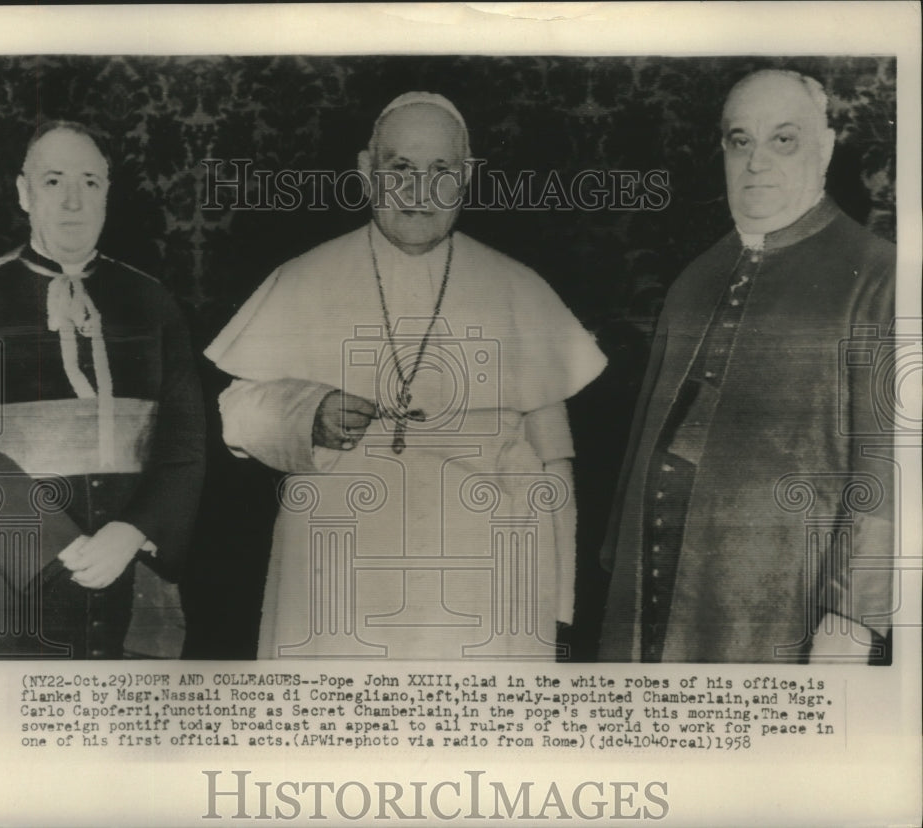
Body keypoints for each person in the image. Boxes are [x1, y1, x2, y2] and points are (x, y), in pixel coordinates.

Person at [206, 92, 606, 659]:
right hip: (337, 576)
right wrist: (308, 412)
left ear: (466, 178)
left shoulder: (520, 288)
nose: (420, 191)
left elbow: (554, 464)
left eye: (441, 170)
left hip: (485, 583)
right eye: (401, 169)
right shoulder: (304, 277)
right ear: (368, 172)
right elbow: (236, 410)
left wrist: (557, 602)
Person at [598, 70, 896, 663]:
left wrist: (852, 621)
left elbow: (887, 473)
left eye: (783, 140)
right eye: (741, 140)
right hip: (655, 589)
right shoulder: (694, 278)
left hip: (782, 606)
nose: (757, 161)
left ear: (826, 148)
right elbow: (639, 455)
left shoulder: (880, 277)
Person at [0, 120, 205, 659]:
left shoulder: (153, 302)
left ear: (108, 193)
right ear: (24, 193)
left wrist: (134, 530)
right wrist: (58, 548)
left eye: (89, 182)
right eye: (53, 182)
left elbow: (183, 446)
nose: (73, 202)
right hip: (8, 585)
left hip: (130, 574)